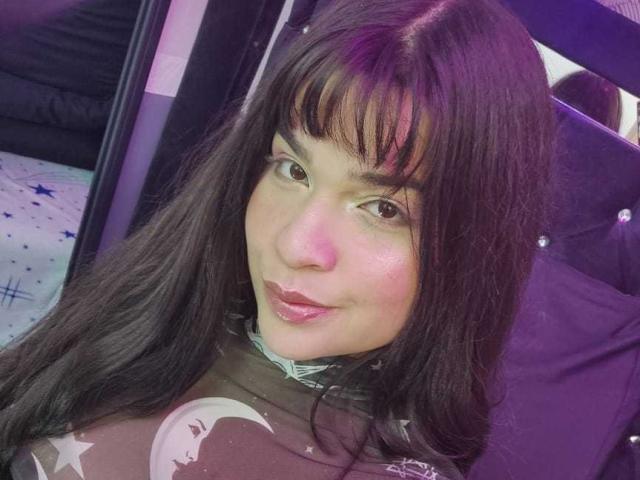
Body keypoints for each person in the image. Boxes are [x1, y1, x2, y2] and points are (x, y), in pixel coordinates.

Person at [0, 0, 555, 478]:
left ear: (475, 243)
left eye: (384, 208)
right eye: (293, 170)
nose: (295, 246)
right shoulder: (167, 304)